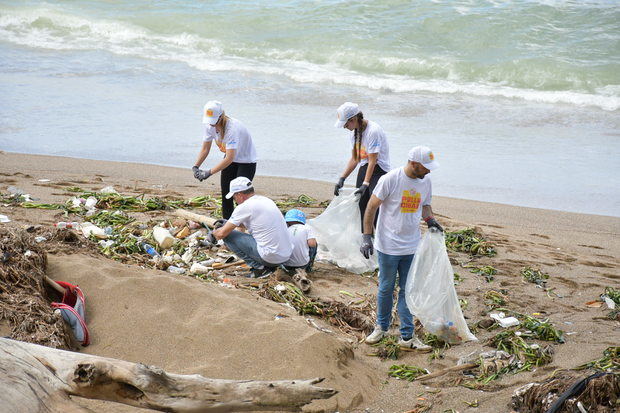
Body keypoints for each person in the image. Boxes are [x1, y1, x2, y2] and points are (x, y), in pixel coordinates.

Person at [360, 146, 444, 350]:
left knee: (408, 290)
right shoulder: (391, 179)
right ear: (414, 164)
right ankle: (381, 328)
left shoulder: (426, 181)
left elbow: (425, 205)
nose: (429, 171)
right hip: (388, 245)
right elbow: (371, 206)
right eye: (426, 167)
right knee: (386, 287)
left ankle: (407, 336)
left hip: (412, 245)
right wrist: (366, 236)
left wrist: (430, 220)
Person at [211, 177, 293, 278]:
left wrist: (213, 233)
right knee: (230, 231)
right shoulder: (265, 200)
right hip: (286, 255)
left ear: (239, 195)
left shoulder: (244, 206)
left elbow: (221, 234)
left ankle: (260, 269)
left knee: (228, 236)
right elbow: (250, 224)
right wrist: (228, 223)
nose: (235, 200)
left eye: (234, 197)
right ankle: (268, 267)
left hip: (271, 257)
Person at [192, 100, 257, 219]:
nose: (212, 125)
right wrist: (196, 166)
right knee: (226, 194)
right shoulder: (209, 126)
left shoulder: (232, 128)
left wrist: (208, 172)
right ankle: (227, 223)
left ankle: (243, 224)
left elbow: (229, 158)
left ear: (221, 116)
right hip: (230, 159)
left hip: (246, 161)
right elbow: (205, 149)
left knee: (240, 195)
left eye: (214, 121)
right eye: (209, 122)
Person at [333, 102, 390, 231]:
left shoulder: (373, 131)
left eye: (346, 124)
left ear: (353, 119)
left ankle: (379, 238)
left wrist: (366, 183)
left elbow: (373, 160)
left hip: (379, 170)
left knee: (374, 205)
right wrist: (342, 178)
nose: (345, 127)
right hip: (366, 167)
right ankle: (365, 238)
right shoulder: (354, 133)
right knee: (361, 204)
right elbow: (355, 158)